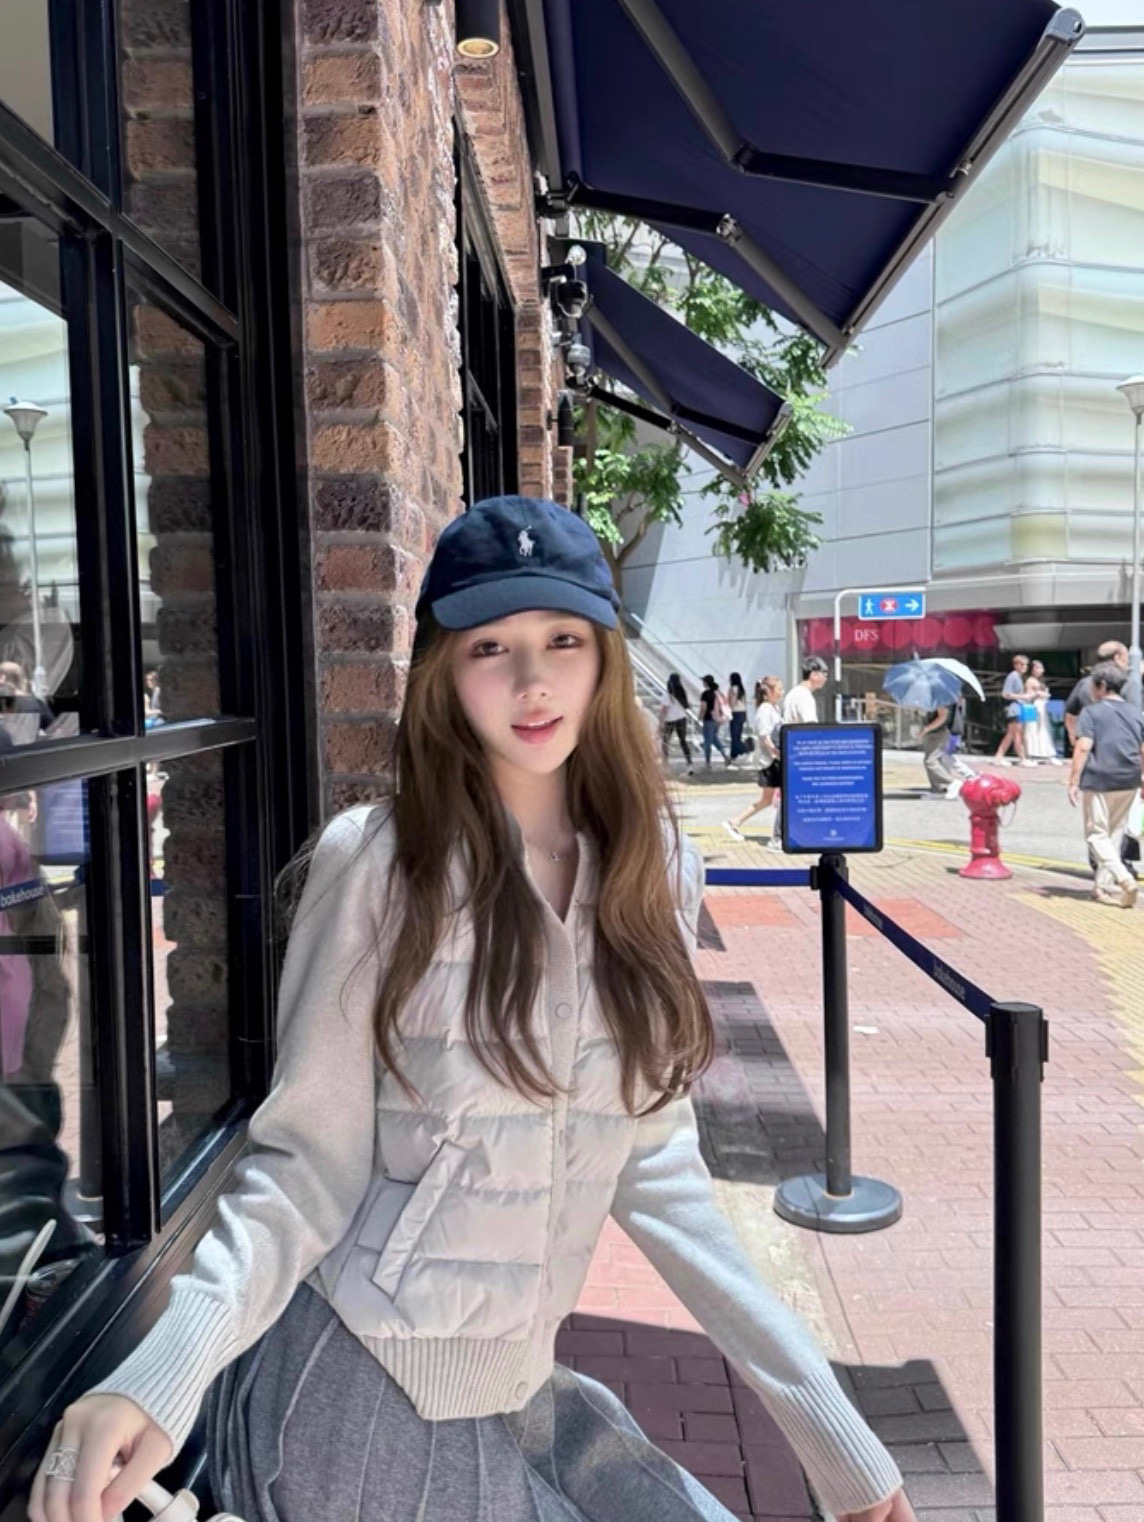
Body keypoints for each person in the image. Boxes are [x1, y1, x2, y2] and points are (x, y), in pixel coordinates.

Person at [30, 495, 911, 1522]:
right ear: (444, 671)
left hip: (516, 1380)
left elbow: (657, 1167)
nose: (532, 681)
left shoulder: (655, 867)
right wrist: (161, 1374)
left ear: (605, 655)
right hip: (355, 1384)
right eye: (490, 645)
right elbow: (304, 1167)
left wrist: (835, 1437)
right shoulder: (380, 865)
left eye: (562, 639)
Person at [1067, 660, 1144, 909]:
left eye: (1092, 685)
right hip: (1130, 778)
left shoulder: (1091, 712)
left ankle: (1123, 878)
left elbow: (1083, 747)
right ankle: (1101, 887)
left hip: (1100, 778)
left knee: (1096, 835)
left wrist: (1073, 781)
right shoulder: (1135, 712)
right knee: (1113, 833)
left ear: (1101, 685)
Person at [723, 675, 784, 845]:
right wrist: (777, 753)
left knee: (767, 800)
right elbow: (765, 737)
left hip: (772, 761)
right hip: (770, 762)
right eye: (779, 689)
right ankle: (778, 835)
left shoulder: (773, 708)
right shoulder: (765, 710)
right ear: (768, 692)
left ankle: (734, 822)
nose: (781, 692)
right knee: (778, 798)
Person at [992, 653, 1029, 764]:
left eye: (1026, 665)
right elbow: (1006, 694)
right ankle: (1001, 757)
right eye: (1022, 664)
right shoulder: (1012, 676)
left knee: (1015, 734)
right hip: (1013, 709)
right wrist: (1022, 696)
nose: (1025, 667)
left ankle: (1020, 758)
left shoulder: (1018, 677)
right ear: (1016, 665)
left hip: (1017, 708)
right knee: (1013, 734)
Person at [918, 704, 957, 795]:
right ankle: (939, 788)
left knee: (930, 761)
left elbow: (943, 716)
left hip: (938, 733)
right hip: (932, 733)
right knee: (934, 760)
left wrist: (927, 728)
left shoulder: (940, 700)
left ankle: (951, 782)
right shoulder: (929, 701)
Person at [659, 672, 694, 773]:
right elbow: (687, 705)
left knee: (665, 742)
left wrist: (660, 723)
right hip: (681, 719)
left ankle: (665, 763)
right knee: (683, 741)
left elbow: (664, 710)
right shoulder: (682, 692)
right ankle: (689, 763)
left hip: (669, 720)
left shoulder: (667, 695)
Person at [1022, 661, 1057, 762]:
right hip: (1034, 706)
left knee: (1043, 729)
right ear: (1033, 669)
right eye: (1039, 668)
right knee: (1032, 729)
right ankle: (1032, 752)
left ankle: (1043, 752)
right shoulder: (1030, 681)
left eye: (1042, 668)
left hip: (1042, 706)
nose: (1042, 670)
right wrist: (1039, 694)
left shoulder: (1039, 681)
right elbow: (1028, 695)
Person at [781, 656, 827, 725]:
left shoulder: (792, 693)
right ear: (814, 675)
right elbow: (810, 726)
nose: (825, 679)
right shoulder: (805, 696)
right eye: (824, 674)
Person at [699, 673, 731, 768]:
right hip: (718, 719)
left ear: (706, 683)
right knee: (713, 738)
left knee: (708, 741)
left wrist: (700, 717)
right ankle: (725, 756)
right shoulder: (718, 693)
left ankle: (708, 762)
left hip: (708, 719)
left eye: (703, 681)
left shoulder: (705, 694)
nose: (702, 683)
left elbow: (703, 708)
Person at [726, 671, 748, 760]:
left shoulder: (733, 689)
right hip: (742, 712)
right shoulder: (742, 689)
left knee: (734, 735)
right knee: (738, 734)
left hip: (735, 713)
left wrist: (728, 708)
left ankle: (745, 749)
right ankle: (734, 754)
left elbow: (732, 701)